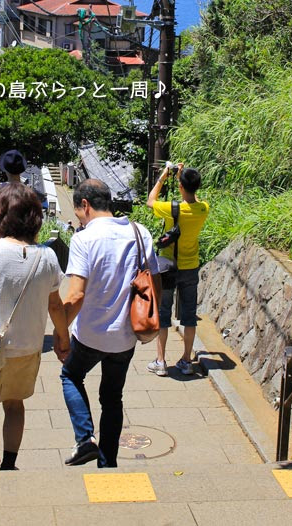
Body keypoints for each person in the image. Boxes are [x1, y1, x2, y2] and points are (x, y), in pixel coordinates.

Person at [0, 183, 69, 470]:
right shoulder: (46, 256)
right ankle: (10, 463)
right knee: (15, 404)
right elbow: (56, 305)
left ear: (1, 215)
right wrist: (63, 338)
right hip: (28, 346)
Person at [55, 179, 159, 468]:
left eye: (78, 213)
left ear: (85, 205)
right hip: (126, 336)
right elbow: (154, 283)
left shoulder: (84, 239)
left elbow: (75, 296)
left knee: (70, 376)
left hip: (89, 334)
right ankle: (107, 462)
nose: (79, 219)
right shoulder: (140, 233)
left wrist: (60, 333)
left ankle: (85, 439)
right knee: (112, 397)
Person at [146, 162, 209, 377]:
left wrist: (165, 174)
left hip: (167, 267)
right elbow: (195, 200)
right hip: (190, 268)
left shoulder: (171, 209)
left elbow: (150, 200)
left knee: (163, 313)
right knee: (189, 315)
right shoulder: (203, 209)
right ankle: (186, 360)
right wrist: (183, 177)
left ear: (181, 187)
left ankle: (161, 361)